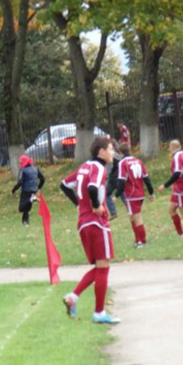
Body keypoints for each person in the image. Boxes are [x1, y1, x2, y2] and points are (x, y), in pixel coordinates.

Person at [60, 137, 121, 324]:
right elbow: (93, 187)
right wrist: (96, 205)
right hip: (96, 222)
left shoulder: (84, 167)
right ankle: (99, 312)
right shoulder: (98, 168)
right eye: (110, 149)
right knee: (104, 267)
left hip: (84, 223)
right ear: (101, 151)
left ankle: (73, 297)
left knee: (100, 267)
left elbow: (64, 184)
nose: (112, 153)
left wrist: (79, 205)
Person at [115, 143, 155, 248]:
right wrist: (151, 192)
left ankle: (142, 242)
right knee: (132, 217)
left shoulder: (123, 163)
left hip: (131, 195)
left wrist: (116, 194)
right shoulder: (139, 161)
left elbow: (121, 181)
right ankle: (138, 240)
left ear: (120, 153)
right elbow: (146, 178)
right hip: (140, 194)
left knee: (137, 218)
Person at [157, 140, 183, 236]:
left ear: (173, 147)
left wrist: (165, 185)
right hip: (180, 187)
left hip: (182, 187)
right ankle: (180, 233)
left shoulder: (177, 157)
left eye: (170, 148)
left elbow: (177, 173)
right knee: (171, 209)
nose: (169, 150)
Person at [10, 155, 45, 226]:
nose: (20, 164)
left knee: (21, 208)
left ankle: (32, 199)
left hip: (26, 190)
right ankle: (25, 222)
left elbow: (20, 182)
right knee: (27, 208)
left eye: (20, 162)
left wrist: (13, 190)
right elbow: (43, 179)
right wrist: (38, 188)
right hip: (34, 190)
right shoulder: (35, 169)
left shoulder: (23, 170)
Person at [105, 141, 125, 221]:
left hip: (116, 178)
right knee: (107, 194)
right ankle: (113, 213)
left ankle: (131, 209)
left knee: (122, 194)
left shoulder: (113, 155)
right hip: (112, 179)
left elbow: (110, 167)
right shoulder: (116, 155)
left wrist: (105, 176)